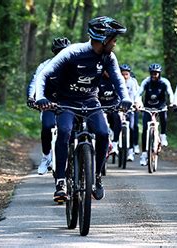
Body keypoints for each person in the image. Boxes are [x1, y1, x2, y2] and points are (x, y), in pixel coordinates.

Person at [34, 16, 132, 202]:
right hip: (66, 101)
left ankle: (96, 176)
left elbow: (118, 80)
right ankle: (61, 181)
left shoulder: (108, 57)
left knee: (103, 134)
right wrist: (41, 97)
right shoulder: (73, 52)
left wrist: (125, 98)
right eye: (113, 40)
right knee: (63, 132)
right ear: (103, 39)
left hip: (90, 101)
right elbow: (44, 74)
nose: (115, 44)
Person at [26, 37, 71, 175]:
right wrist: (31, 97)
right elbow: (35, 82)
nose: (61, 54)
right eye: (58, 51)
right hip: (49, 101)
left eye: (64, 51)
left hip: (69, 101)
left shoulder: (74, 63)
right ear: (54, 52)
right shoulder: (45, 65)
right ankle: (46, 157)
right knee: (47, 126)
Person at [135, 63, 174, 166]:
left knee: (163, 116)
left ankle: (163, 135)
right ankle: (144, 154)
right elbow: (138, 93)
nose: (154, 75)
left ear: (159, 73)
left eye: (156, 73)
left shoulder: (164, 82)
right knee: (144, 129)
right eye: (152, 73)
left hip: (160, 107)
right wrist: (138, 103)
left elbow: (170, 93)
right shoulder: (146, 82)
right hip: (147, 107)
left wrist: (172, 102)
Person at [98, 71, 121, 155]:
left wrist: (118, 105)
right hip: (100, 107)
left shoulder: (115, 80)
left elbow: (119, 95)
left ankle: (115, 143)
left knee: (117, 118)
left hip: (113, 106)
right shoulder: (98, 79)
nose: (108, 72)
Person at [119, 64, 139, 161]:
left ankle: (131, 150)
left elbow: (137, 94)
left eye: (126, 74)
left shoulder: (133, 82)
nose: (124, 77)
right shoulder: (117, 81)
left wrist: (137, 103)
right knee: (116, 125)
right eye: (122, 74)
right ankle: (115, 144)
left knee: (131, 128)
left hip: (130, 108)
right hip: (119, 108)